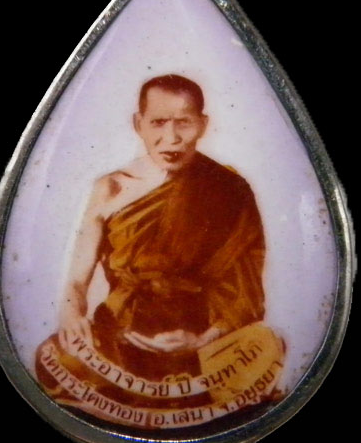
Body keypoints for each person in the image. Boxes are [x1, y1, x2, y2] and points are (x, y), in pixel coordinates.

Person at [36, 74, 272, 412]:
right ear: (139, 124)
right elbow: (76, 281)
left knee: (265, 346)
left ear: (203, 125)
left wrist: (202, 338)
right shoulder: (110, 189)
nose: (171, 138)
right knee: (53, 358)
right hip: (121, 335)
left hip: (202, 341)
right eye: (158, 123)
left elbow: (246, 289)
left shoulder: (231, 189)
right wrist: (72, 315)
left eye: (183, 123)